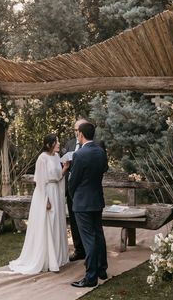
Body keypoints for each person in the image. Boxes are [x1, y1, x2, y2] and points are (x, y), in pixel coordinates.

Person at [9, 134, 70, 274]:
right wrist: (46, 200)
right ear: (49, 144)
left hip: (56, 193)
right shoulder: (42, 158)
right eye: (56, 142)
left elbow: (57, 177)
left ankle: (57, 257)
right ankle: (47, 259)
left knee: (56, 224)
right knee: (47, 223)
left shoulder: (56, 157)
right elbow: (40, 181)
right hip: (46, 193)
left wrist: (65, 167)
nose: (59, 144)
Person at [68, 122, 109, 288]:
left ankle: (90, 277)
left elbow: (73, 181)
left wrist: (74, 196)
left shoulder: (80, 155)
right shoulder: (100, 152)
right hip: (97, 199)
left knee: (89, 239)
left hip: (82, 202)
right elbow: (104, 169)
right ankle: (101, 269)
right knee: (98, 235)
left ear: (81, 135)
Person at [63, 118, 88, 262]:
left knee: (86, 221)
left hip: (85, 189)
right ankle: (79, 250)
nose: (76, 132)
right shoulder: (70, 144)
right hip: (71, 189)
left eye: (78, 129)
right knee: (74, 220)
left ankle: (89, 249)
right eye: (74, 129)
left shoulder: (94, 144)